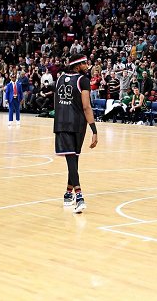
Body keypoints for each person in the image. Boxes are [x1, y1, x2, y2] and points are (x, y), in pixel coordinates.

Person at [53, 54, 98, 214]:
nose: (87, 65)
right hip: (78, 125)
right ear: (77, 66)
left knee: (73, 160)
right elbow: (86, 107)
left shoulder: (59, 79)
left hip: (62, 123)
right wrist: (94, 130)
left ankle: (67, 194)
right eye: (85, 63)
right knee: (72, 160)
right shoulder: (83, 80)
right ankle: (79, 197)